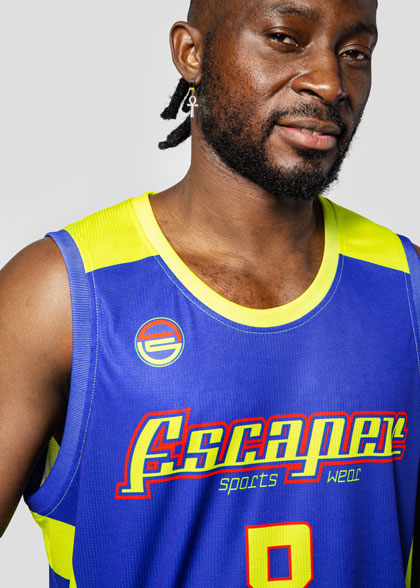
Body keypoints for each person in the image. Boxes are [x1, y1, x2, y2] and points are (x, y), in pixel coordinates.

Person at [1, 0, 419, 586]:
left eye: (355, 53)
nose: (330, 83)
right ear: (191, 53)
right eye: (285, 38)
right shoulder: (60, 294)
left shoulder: (408, 287)